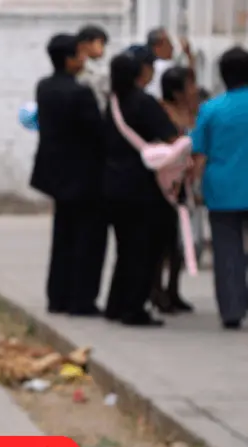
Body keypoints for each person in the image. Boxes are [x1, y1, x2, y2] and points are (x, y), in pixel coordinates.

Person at [29, 33, 107, 317]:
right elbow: (97, 132)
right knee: (88, 239)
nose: (84, 59)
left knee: (63, 236)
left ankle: (58, 296)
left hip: (56, 173)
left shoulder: (44, 87)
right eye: (79, 54)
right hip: (84, 175)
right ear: (68, 59)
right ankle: (81, 300)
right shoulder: (79, 92)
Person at [103, 49, 182, 327]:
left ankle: (115, 304)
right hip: (142, 187)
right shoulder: (144, 102)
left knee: (125, 248)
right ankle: (134, 308)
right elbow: (172, 137)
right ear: (140, 73)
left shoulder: (112, 102)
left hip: (112, 184)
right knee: (144, 249)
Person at [190, 46, 248, 330]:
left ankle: (232, 310)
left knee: (227, 251)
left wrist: (192, 189)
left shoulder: (210, 109)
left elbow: (199, 155)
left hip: (222, 190)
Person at [151, 65, 199, 314]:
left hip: (186, 183)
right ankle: (157, 290)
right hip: (167, 184)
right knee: (162, 240)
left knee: (178, 242)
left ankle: (173, 289)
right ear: (177, 91)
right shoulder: (162, 112)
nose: (194, 89)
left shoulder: (193, 110)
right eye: (189, 85)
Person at [146, 27, 196, 98]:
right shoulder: (165, 66)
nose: (172, 47)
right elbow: (189, 81)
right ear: (157, 47)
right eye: (168, 43)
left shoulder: (149, 66)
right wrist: (189, 55)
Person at [77, 25, 111, 112]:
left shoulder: (97, 67)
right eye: (101, 43)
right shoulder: (82, 68)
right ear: (86, 44)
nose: (103, 48)